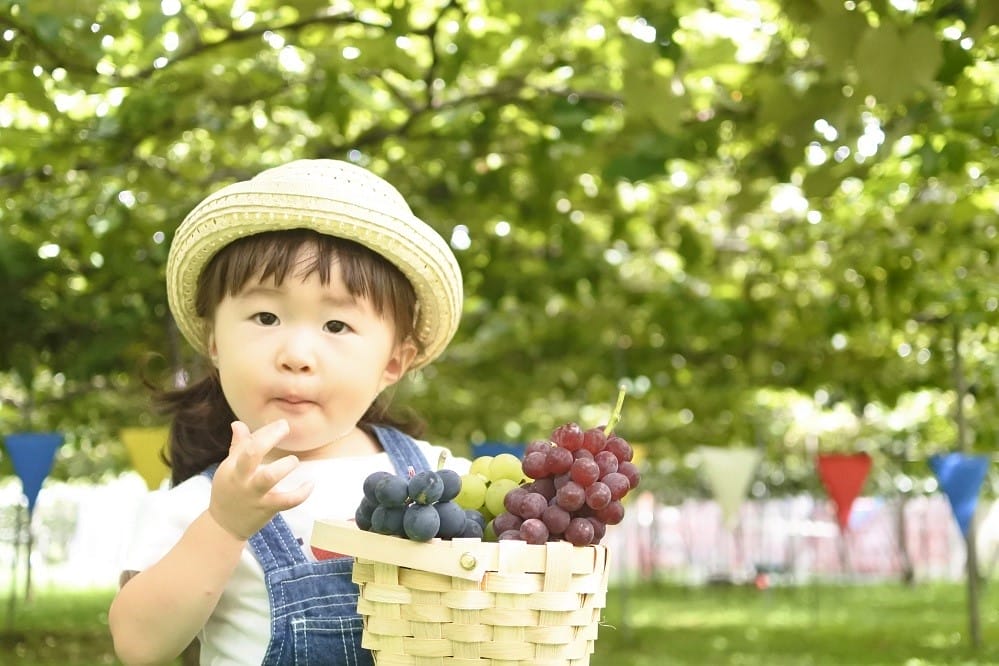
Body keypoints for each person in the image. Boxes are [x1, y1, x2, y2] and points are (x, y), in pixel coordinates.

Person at [109, 159, 466, 665]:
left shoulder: (441, 474)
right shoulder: (202, 503)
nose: (296, 354)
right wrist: (225, 526)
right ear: (215, 342)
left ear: (393, 360)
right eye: (266, 316)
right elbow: (138, 646)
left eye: (337, 326)